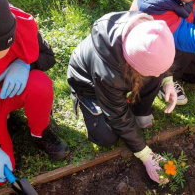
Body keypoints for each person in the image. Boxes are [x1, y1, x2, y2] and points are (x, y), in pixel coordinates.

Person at [67, 11, 177, 183]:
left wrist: (168, 81)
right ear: (132, 64)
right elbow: (117, 116)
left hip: (123, 73)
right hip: (88, 83)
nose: (157, 76)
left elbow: (161, 56)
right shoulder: (107, 74)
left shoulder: (152, 33)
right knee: (106, 137)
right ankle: (88, 102)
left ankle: (139, 113)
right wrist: (146, 156)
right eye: (151, 72)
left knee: (156, 78)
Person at [0, 0, 69, 185]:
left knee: (39, 84)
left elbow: (47, 56)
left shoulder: (15, 23)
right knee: (3, 176)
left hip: (8, 91)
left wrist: (24, 64)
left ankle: (40, 133)